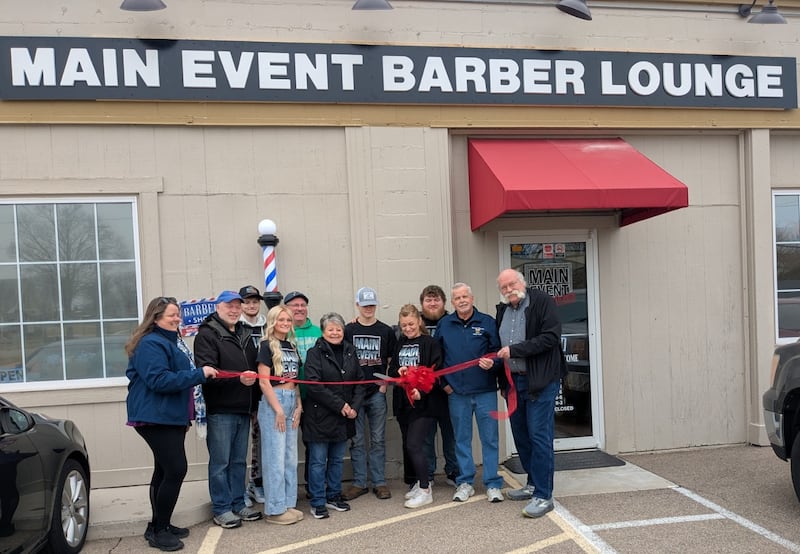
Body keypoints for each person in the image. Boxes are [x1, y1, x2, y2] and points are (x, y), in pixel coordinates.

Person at [125, 296, 218, 551]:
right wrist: (201, 373)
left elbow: (175, 380)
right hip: (155, 417)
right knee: (176, 469)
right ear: (156, 318)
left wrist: (184, 417)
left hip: (170, 417)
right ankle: (160, 530)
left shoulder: (169, 341)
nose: (177, 319)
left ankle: (158, 524)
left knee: (164, 471)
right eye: (171, 315)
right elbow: (160, 381)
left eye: (178, 315)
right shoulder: (151, 344)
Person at [495, 269, 565, 518]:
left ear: (522, 283)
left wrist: (515, 350)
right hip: (514, 384)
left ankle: (544, 496)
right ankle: (533, 484)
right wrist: (501, 381)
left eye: (511, 283)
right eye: (503, 286)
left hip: (541, 381)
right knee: (521, 436)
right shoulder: (502, 310)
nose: (508, 289)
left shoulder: (542, 302)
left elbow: (550, 338)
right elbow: (499, 349)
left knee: (539, 436)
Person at [194, 290, 263, 529]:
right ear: (218, 307)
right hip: (220, 410)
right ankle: (221, 508)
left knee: (237, 461)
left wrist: (254, 404)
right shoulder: (207, 334)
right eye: (229, 306)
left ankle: (237, 502)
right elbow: (207, 373)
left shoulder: (244, 332)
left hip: (243, 409)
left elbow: (253, 370)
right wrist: (238, 381)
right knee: (221, 462)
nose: (234, 310)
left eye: (237, 306)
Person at [437, 283, 504, 503]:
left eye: (465, 296)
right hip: (457, 394)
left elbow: (498, 353)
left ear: (472, 298)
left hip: (485, 391)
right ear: (452, 302)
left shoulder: (487, 322)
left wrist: (492, 363)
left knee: (490, 439)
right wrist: (445, 385)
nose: (462, 300)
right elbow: (437, 359)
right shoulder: (444, 325)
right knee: (462, 439)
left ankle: (493, 483)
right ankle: (465, 482)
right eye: (457, 298)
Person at [303, 312, 365, 519]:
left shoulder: (350, 351)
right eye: (331, 329)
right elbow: (314, 386)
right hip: (320, 417)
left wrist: (354, 407)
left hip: (344, 417)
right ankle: (318, 501)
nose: (335, 332)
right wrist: (342, 406)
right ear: (323, 331)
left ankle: (334, 496)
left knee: (337, 460)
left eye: (338, 329)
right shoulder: (314, 353)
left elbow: (359, 382)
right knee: (318, 461)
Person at [342, 287, 396, 501]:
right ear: (357, 305)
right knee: (356, 440)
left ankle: (379, 482)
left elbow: (391, 361)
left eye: (372, 305)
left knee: (378, 439)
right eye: (364, 305)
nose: (368, 309)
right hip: (355, 394)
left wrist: (384, 385)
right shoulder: (348, 330)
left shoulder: (386, 331)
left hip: (376, 393)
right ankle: (359, 483)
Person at [389, 304, 445, 509]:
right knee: (408, 444)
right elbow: (393, 368)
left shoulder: (430, 343)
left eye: (411, 324)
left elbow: (436, 373)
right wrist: (399, 371)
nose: (407, 328)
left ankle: (425, 489)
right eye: (403, 325)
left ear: (419, 321)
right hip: (403, 402)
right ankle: (418, 482)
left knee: (415, 444)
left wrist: (421, 391)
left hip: (425, 403)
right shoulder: (400, 343)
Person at [256, 305, 304, 525]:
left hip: (291, 398)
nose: (285, 323)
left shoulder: (291, 346)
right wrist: (277, 410)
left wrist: (298, 406)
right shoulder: (266, 346)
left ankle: (287, 503)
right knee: (275, 458)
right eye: (281, 320)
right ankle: (275, 509)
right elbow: (263, 381)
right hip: (274, 401)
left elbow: (296, 381)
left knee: (290, 458)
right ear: (273, 321)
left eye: (288, 320)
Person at [418, 285, 459, 488]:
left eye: (436, 300)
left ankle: (453, 470)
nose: (432, 303)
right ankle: (429, 474)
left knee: (451, 433)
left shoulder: (453, 322)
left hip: (448, 388)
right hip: (424, 391)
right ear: (422, 303)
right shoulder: (414, 324)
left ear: (444, 302)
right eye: (428, 300)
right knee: (426, 436)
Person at [282, 290, 322, 498]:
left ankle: (312, 486)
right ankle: (285, 490)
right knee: (285, 445)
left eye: (302, 305)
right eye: (294, 305)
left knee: (312, 442)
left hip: (314, 397)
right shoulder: (282, 332)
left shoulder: (318, 332)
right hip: (288, 396)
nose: (299, 309)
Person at [239, 285, 267, 508]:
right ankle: (240, 490)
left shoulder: (267, 326)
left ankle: (256, 482)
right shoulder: (235, 327)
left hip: (263, 393)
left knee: (259, 443)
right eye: (247, 301)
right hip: (240, 393)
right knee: (240, 445)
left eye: (255, 301)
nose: (251, 305)